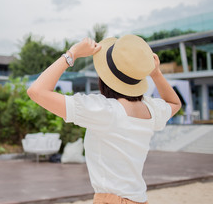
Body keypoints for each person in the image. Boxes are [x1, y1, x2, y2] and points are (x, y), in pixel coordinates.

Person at [27, 34, 181, 204]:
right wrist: (156, 74)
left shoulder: (104, 110)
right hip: (139, 199)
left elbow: (36, 91)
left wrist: (72, 54)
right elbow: (174, 103)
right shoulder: (150, 110)